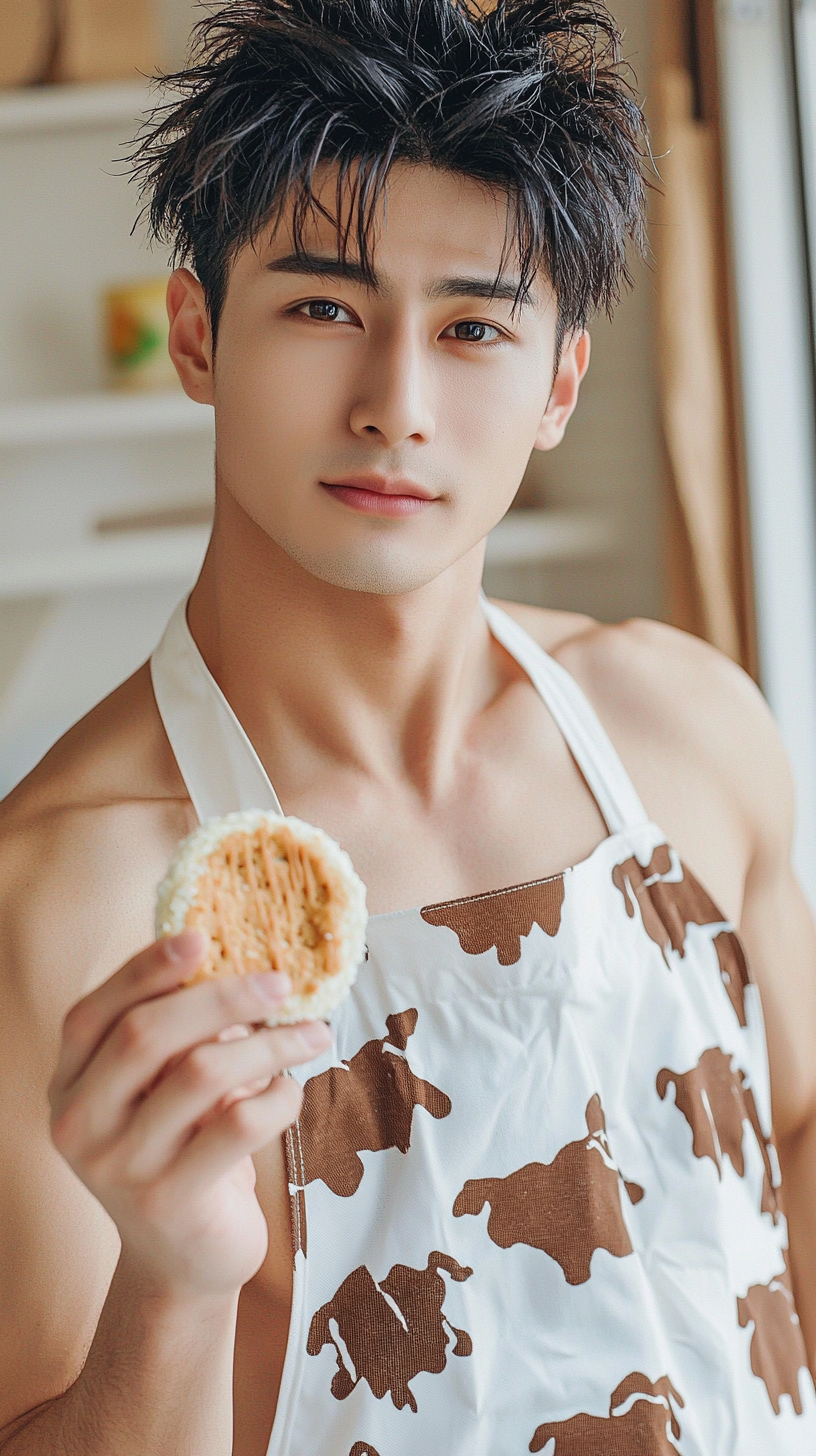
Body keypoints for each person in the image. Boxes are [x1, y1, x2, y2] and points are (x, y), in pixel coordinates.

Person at [1, 0, 815, 1450]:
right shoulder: (63, 896)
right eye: (323, 308)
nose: (397, 404)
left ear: (560, 382)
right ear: (198, 334)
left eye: (473, 328)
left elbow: (796, 1132)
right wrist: (176, 1286)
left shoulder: (689, 721)